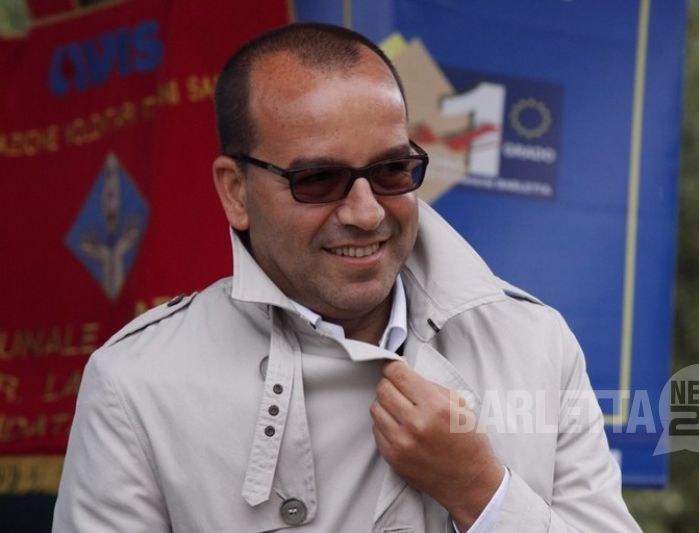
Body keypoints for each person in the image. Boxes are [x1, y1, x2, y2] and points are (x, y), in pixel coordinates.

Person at [53, 23, 641, 532]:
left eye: (391, 170)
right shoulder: (139, 383)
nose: (365, 212)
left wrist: (480, 492)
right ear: (236, 191)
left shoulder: (534, 344)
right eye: (317, 180)